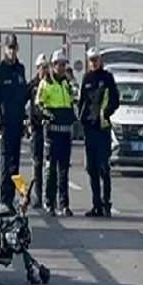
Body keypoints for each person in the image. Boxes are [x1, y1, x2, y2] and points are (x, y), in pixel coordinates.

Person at [0, 34, 28, 212]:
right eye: (9, 48)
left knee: (15, 163)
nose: (12, 51)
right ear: (5, 49)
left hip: (17, 121)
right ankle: (4, 199)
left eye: (14, 48)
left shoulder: (20, 69)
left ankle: (14, 199)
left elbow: (23, 95)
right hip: (5, 121)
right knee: (5, 161)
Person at [78, 48, 120, 217]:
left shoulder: (107, 78)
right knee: (92, 169)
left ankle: (106, 203)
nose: (94, 62)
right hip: (90, 129)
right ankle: (96, 205)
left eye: (96, 59)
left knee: (104, 168)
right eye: (91, 60)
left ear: (100, 60)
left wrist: (105, 113)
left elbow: (115, 100)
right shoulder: (86, 79)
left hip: (103, 129)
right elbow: (82, 101)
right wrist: (82, 118)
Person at [38, 50, 77, 217]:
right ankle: (49, 202)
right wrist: (49, 115)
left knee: (64, 171)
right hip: (52, 133)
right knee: (51, 169)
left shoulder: (67, 83)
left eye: (64, 64)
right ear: (53, 65)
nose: (62, 67)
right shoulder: (46, 83)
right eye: (59, 64)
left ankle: (64, 204)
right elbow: (39, 105)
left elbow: (73, 102)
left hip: (65, 132)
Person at [25, 53, 50, 208]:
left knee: (50, 165)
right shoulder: (32, 85)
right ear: (37, 68)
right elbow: (22, 101)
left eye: (46, 67)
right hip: (36, 129)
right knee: (37, 164)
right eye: (42, 67)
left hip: (50, 129)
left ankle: (49, 198)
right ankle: (37, 196)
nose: (45, 70)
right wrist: (24, 118)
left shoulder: (51, 84)